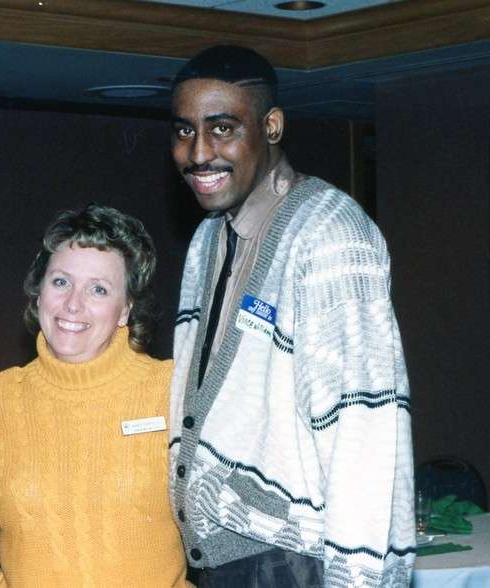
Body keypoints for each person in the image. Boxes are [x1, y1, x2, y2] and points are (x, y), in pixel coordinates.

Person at [168, 46, 415, 586]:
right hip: (223, 561)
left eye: (222, 128)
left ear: (272, 126)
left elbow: (365, 430)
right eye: (185, 131)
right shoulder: (208, 239)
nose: (199, 153)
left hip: (293, 564)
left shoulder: (330, 236)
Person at [0, 204, 187, 586]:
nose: (73, 304)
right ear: (39, 292)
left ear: (126, 309)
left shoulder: (172, 390)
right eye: (61, 282)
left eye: (99, 289)